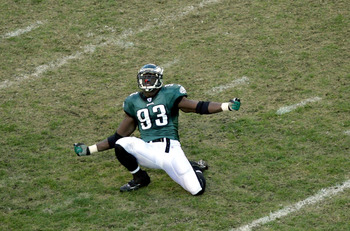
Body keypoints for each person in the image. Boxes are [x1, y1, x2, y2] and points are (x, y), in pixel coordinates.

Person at [74, 64, 240, 196]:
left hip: (170, 150)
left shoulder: (170, 94)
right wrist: (89, 150)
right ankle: (140, 178)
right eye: (144, 78)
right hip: (148, 151)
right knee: (122, 143)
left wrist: (226, 106)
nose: (147, 81)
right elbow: (118, 136)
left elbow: (198, 107)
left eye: (150, 77)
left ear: (159, 79)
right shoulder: (133, 101)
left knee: (197, 190)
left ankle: (194, 167)